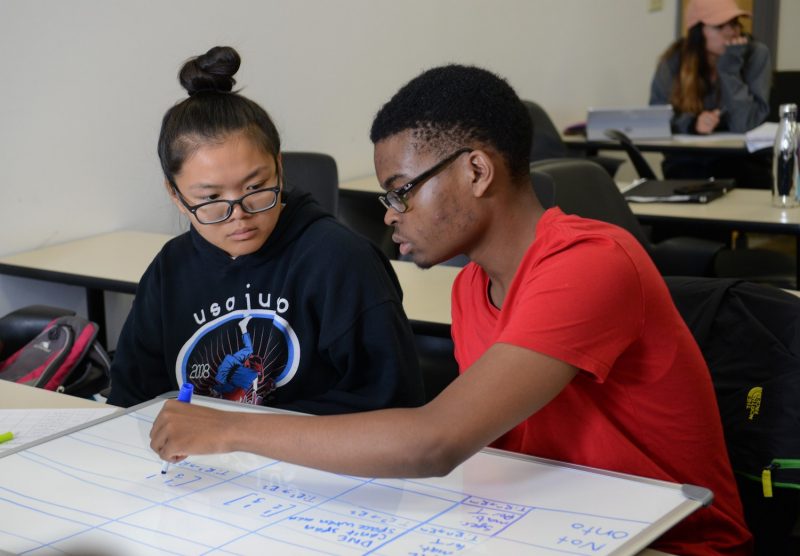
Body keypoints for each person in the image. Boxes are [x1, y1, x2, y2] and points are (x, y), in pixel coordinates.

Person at [151, 64, 752, 554]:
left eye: (402, 191)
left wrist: (229, 427)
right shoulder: (472, 286)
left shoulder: (589, 262)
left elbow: (434, 443)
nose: (388, 214)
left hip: (669, 543)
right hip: (544, 525)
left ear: (476, 170)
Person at [107, 46, 424, 414]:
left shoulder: (340, 261)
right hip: (199, 467)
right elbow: (132, 401)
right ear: (176, 196)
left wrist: (241, 436)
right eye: (210, 198)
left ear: (278, 166)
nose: (239, 215)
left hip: (319, 465)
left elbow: (392, 404)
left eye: (256, 188)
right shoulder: (170, 269)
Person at [649, 0, 772, 188]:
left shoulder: (756, 54)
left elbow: (745, 123)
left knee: (739, 173)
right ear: (698, 32)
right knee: (687, 174)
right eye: (719, 26)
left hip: (742, 160)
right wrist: (692, 123)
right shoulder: (674, 59)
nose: (731, 32)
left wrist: (730, 69)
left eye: (733, 23)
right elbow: (656, 118)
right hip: (690, 160)